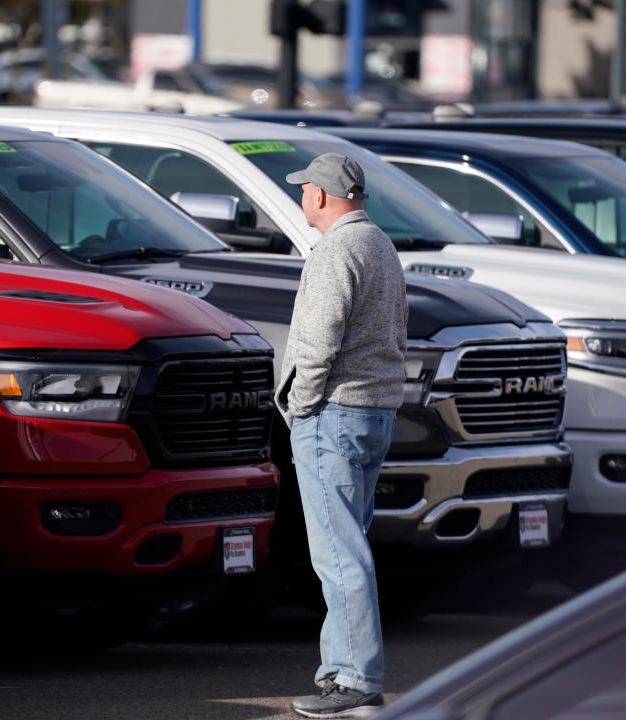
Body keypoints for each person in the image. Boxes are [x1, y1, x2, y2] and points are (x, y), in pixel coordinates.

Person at [275, 153, 408, 718]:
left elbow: (319, 338)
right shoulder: (380, 244)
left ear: (323, 196)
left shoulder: (335, 251)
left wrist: (300, 406)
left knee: (338, 554)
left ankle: (353, 678)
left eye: (304, 188)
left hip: (334, 413)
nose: (301, 195)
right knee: (347, 546)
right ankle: (341, 673)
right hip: (374, 413)